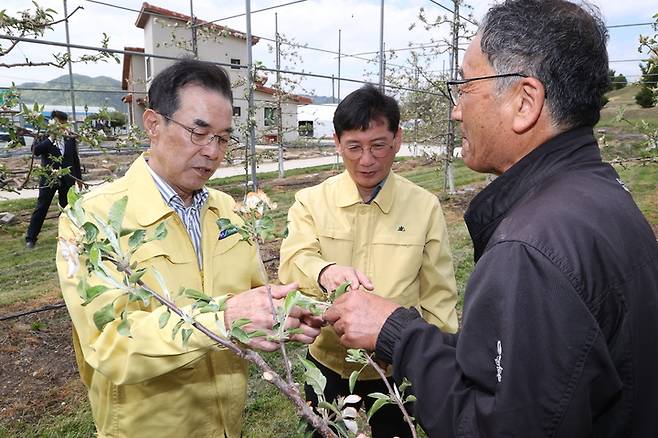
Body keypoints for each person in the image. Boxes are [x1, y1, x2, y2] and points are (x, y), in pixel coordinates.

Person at [324, 1, 658, 437]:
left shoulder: (530, 250)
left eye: (465, 86)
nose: (456, 110)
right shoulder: (601, 197)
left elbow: (496, 424)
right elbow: (534, 379)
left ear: (525, 101)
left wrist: (397, 335)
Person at [56, 59, 321, 438]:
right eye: (199, 133)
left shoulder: (227, 211)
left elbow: (247, 297)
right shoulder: (92, 219)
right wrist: (220, 321)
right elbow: (110, 343)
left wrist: (286, 314)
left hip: (227, 424)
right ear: (152, 124)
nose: (213, 152)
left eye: (223, 137)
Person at [279, 85, 458, 437]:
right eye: (354, 148)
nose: (366, 160)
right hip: (328, 361)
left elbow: (439, 294)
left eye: (378, 145)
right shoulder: (311, 202)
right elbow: (293, 259)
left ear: (397, 140)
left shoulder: (423, 207)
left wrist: (440, 362)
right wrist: (325, 271)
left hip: (392, 368)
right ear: (336, 142)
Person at [26, 110, 83, 248]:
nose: (61, 125)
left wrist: (79, 178)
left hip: (67, 179)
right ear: (52, 122)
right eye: (59, 122)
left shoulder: (69, 137)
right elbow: (35, 150)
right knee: (42, 206)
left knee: (67, 208)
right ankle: (31, 238)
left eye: (63, 122)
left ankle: (66, 235)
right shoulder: (44, 136)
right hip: (49, 178)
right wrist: (51, 138)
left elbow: (74, 158)